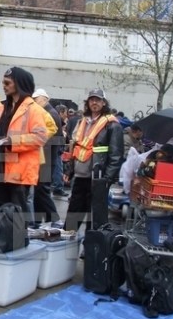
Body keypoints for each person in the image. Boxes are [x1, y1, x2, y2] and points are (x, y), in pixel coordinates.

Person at [0, 67, 48, 222]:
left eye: (7, 83)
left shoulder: (33, 109)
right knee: (3, 215)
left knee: (18, 215)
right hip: (2, 169)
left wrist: (12, 141)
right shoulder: (3, 107)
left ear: (19, 84)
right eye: (3, 83)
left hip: (20, 172)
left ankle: (21, 236)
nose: (4, 86)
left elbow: (40, 137)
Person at [65, 89, 124, 231]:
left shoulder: (112, 125)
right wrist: (70, 170)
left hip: (98, 177)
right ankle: (68, 239)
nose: (94, 103)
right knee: (74, 212)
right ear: (88, 103)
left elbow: (116, 155)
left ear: (104, 103)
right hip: (80, 175)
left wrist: (107, 179)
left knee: (94, 217)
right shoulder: (82, 121)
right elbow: (76, 147)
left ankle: (90, 243)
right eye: (92, 100)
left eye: (98, 100)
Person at [31, 89, 62, 227]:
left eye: (36, 99)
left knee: (41, 189)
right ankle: (38, 220)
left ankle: (54, 218)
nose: (34, 102)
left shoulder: (50, 114)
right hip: (47, 157)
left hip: (47, 158)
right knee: (40, 190)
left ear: (44, 99)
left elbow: (47, 139)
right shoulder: (50, 112)